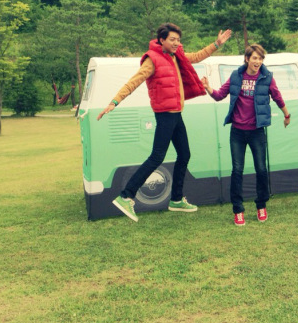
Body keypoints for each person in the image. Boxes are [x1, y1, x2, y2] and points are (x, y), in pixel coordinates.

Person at [97, 23, 232, 222]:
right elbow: (134, 81)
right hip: (165, 115)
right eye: (172, 39)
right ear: (162, 40)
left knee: (184, 154)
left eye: (178, 40)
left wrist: (216, 44)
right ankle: (125, 196)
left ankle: (176, 199)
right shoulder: (152, 59)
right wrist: (114, 101)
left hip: (176, 114)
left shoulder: (176, 56)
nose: (176, 43)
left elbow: (197, 56)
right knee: (157, 157)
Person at [202, 44, 290, 226]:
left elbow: (277, 97)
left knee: (261, 169)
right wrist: (208, 88)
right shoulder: (236, 76)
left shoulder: (267, 77)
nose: (258, 61)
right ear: (247, 59)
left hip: (257, 131)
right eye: (255, 58)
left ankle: (261, 205)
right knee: (237, 170)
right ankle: (238, 210)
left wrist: (286, 114)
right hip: (237, 132)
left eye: (260, 58)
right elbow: (219, 95)